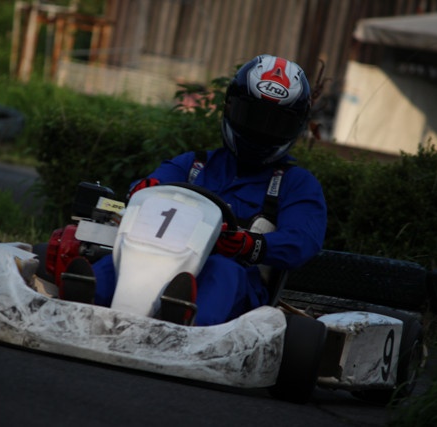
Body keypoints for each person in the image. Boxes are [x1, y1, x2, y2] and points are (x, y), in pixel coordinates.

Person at [62, 54, 327, 327]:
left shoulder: (296, 184)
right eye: (252, 116)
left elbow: (302, 240)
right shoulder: (195, 165)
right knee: (125, 257)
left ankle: (186, 322)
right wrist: (142, 189)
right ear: (231, 108)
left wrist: (251, 244)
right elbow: (150, 187)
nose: (260, 130)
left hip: (239, 282)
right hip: (164, 261)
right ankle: (84, 301)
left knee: (222, 270)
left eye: (274, 123)